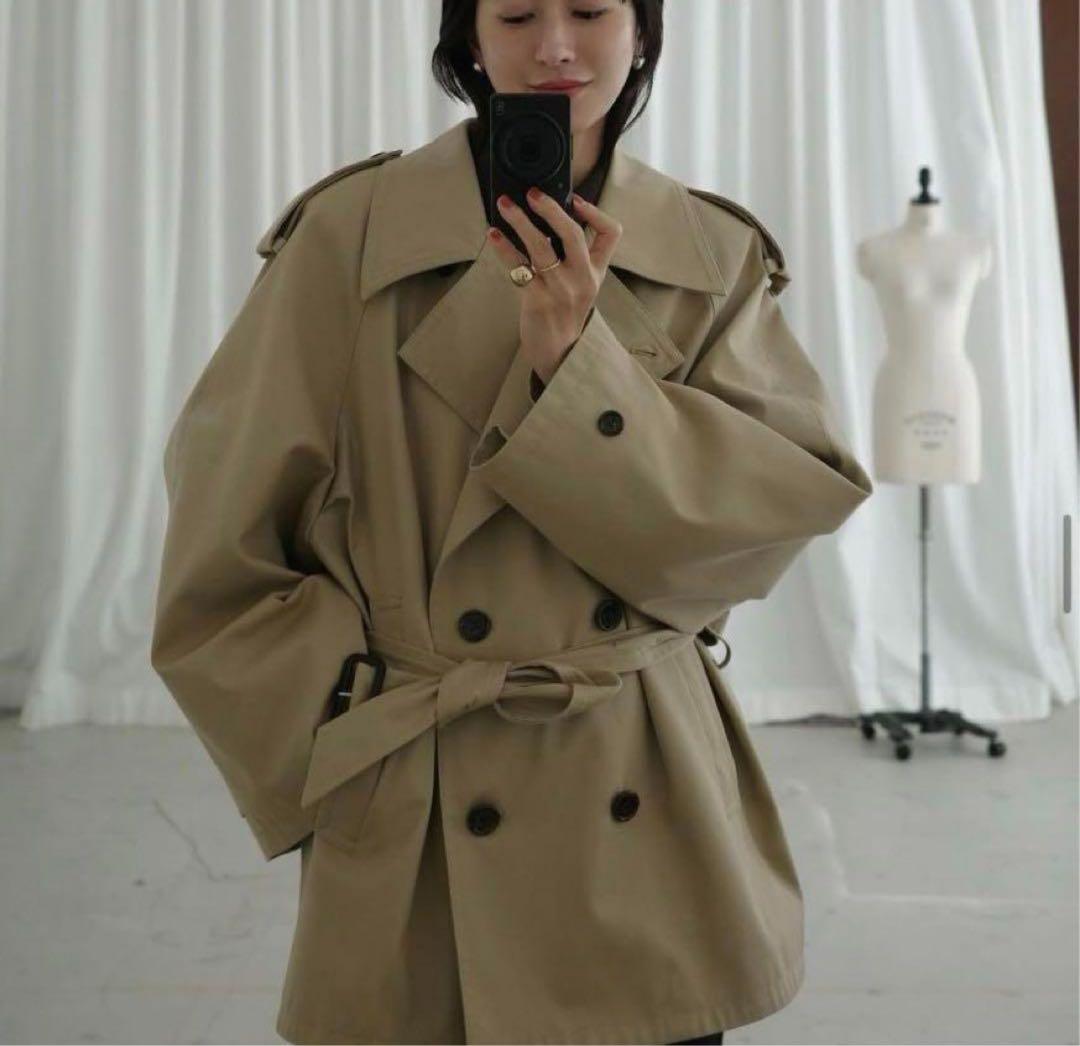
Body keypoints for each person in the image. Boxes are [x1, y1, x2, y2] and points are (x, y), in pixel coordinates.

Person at [151, 0, 874, 1042]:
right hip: (427, 804)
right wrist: (347, 735)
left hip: (639, 798)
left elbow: (759, 524)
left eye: (590, 10)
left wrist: (582, 370)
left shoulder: (709, 253)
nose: (556, 47)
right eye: (518, 12)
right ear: (470, 39)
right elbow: (222, 534)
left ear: (643, 31)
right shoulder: (351, 239)